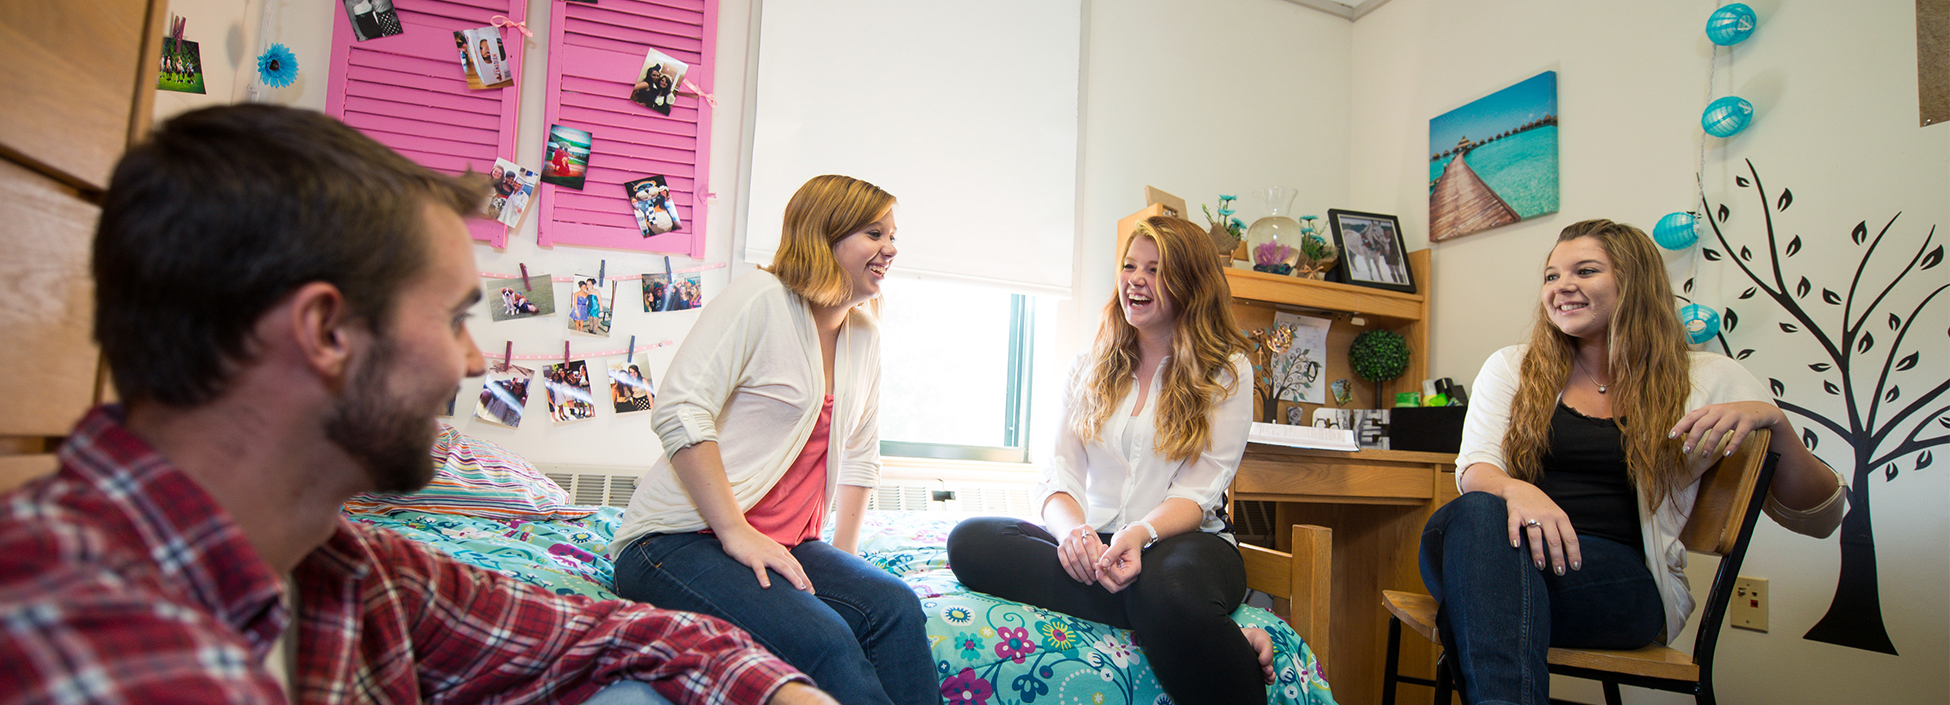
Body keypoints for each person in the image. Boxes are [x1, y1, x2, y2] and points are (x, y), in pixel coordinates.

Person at [0, 104, 836, 705]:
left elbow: (624, 632)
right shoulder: (79, 635)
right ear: (326, 330)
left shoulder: (349, 574)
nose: (474, 361)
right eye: (453, 318)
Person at [1423, 219, 1847, 705]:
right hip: (1497, 547)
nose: (1562, 287)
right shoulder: (1512, 366)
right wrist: (1519, 490)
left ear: (1634, 281)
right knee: (1479, 515)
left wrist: (1777, 424)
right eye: (1551, 276)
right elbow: (1477, 465)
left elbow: (1822, 519)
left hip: (1615, 579)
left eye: (1585, 270)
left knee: (1473, 597)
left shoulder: (1710, 380)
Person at [611, 174, 934, 705]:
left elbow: (860, 458)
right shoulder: (760, 298)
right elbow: (681, 409)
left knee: (894, 604)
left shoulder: (863, 335)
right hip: (676, 542)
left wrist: (845, 565)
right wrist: (735, 530)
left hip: (790, 544)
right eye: (875, 234)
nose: (891, 249)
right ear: (826, 235)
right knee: (824, 639)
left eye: (892, 236)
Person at [946, 216, 1277, 705]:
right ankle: (1213, 633)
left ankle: (1182, 613)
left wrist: (1140, 535)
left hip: (1182, 545)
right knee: (972, 542)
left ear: (1191, 284)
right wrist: (1072, 533)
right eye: (1129, 266)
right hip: (1100, 546)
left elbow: (1200, 489)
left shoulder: (1227, 372)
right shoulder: (1090, 365)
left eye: (1155, 269)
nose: (1135, 280)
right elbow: (1060, 471)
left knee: (1165, 587)